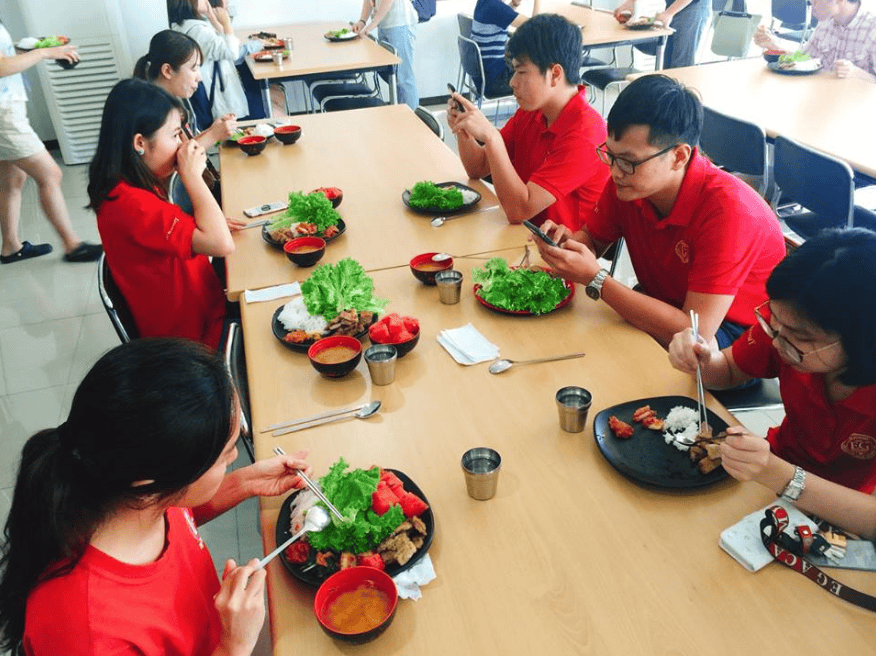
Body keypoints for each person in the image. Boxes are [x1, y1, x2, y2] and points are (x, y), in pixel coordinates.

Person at [0, 338, 312, 654]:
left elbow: (185, 517)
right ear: (153, 479)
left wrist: (246, 482)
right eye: (225, 455)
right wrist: (234, 645)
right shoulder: (85, 631)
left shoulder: (137, 494)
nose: (234, 458)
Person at [533, 74, 785, 349]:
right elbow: (593, 240)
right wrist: (566, 248)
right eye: (610, 155)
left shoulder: (730, 212)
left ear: (679, 156)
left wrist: (597, 279)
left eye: (628, 161)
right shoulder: (629, 182)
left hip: (731, 332)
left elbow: (695, 333)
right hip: (665, 302)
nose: (615, 171)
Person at [669, 228, 876, 500]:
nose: (777, 343)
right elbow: (729, 370)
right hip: (774, 467)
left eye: (801, 337)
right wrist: (702, 359)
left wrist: (782, 475)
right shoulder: (784, 330)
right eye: (774, 322)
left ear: (863, 340)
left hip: (843, 509)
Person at [88, 78, 238, 349]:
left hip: (204, 308)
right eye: (174, 135)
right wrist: (191, 176)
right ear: (139, 143)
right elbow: (221, 244)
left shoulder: (128, 183)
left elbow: (174, 230)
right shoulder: (131, 204)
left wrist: (206, 225)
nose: (181, 145)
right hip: (196, 338)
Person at [448, 14, 610, 233]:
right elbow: (477, 168)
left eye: (521, 72)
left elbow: (519, 210)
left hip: (558, 247)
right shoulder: (532, 112)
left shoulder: (586, 132)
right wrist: (464, 128)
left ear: (555, 74)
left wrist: (491, 137)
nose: (512, 82)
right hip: (524, 234)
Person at [0, 22, 102, 264]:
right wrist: (43, 53)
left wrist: (29, 49)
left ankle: (10, 247)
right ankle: (71, 245)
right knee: (50, 174)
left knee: (12, 180)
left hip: (8, 106)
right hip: (4, 114)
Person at [167, 0, 264, 129]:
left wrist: (213, 19)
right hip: (222, 104)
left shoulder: (187, 26)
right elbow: (232, 52)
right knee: (268, 98)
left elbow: (224, 42)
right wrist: (226, 23)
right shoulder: (198, 31)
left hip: (217, 95)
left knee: (269, 94)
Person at [134, 29, 236, 149]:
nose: (199, 78)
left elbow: (183, 146)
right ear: (167, 71)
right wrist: (213, 135)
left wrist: (214, 130)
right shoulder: (155, 112)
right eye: (193, 69)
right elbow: (178, 158)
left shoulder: (167, 101)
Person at [754, 0, 876, 81]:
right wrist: (774, 46)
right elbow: (805, 59)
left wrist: (855, 73)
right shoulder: (825, 22)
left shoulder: (872, 28)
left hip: (854, 105)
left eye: (816, 2)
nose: (812, 11)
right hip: (822, 97)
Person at [352, 0, 419, 109]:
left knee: (403, 78)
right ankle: (400, 113)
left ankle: (412, 116)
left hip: (400, 23)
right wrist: (362, 21)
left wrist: (371, 25)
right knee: (393, 77)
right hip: (384, 25)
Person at [471, 0, 541, 96]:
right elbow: (535, 26)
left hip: (483, 78)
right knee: (538, 73)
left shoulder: (484, 2)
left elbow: (502, 14)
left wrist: (514, 4)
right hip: (495, 82)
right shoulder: (496, 7)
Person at [613, 0, 710, 69]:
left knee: (680, 65)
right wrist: (630, 3)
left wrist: (669, 13)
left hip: (693, 7)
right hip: (674, 5)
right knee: (667, 64)